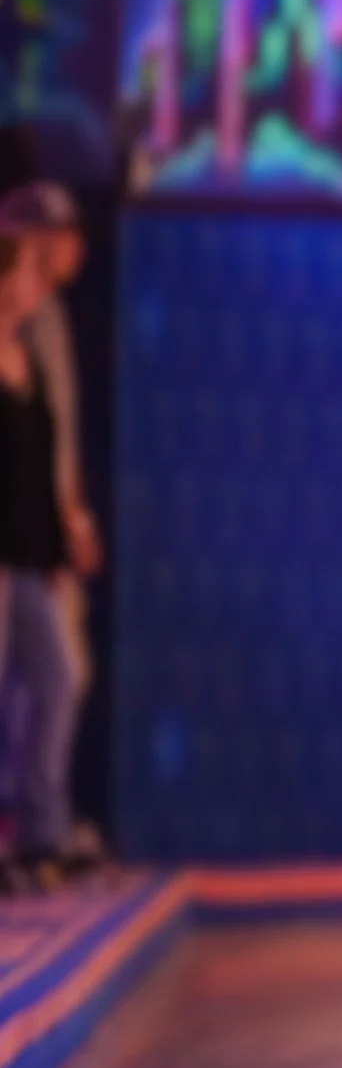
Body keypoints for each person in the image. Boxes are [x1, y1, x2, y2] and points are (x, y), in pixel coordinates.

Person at [0, 223, 102, 889]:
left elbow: (37, 466)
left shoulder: (25, 357)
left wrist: (58, 544)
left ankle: (43, 829)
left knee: (61, 674)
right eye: (30, 271)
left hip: (28, 555)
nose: (40, 284)